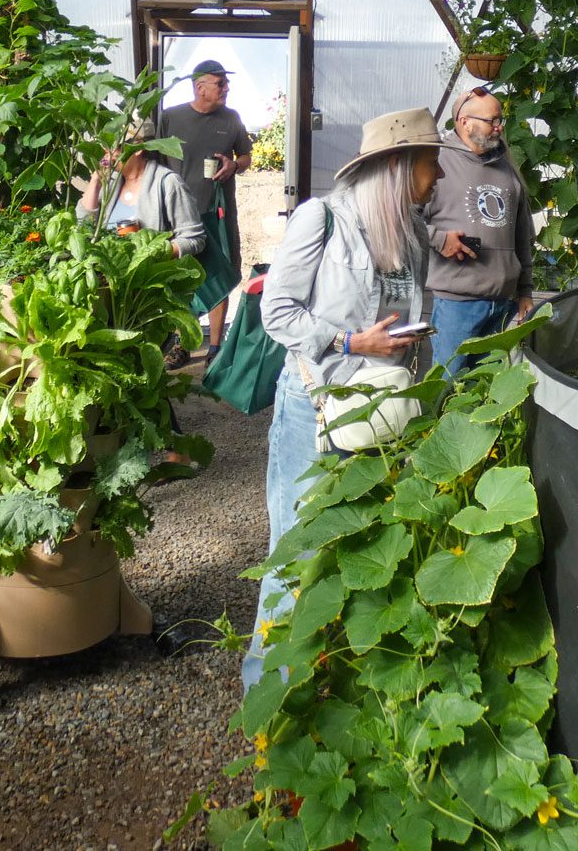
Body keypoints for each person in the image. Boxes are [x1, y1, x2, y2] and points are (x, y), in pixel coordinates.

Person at [244, 107, 444, 688]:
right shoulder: (321, 220)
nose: (437, 179)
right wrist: (352, 340)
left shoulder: (409, 233)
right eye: (431, 164)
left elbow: (402, 313)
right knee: (295, 552)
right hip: (316, 405)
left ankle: (323, 694)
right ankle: (269, 704)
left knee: (353, 545)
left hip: (377, 410)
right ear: (401, 167)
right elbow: (275, 312)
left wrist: (406, 344)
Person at [78, 117, 207, 371]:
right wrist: (95, 180)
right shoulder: (112, 182)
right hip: (109, 291)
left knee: (141, 367)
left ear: (136, 149)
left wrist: (154, 252)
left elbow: (195, 238)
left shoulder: (167, 183)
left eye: (112, 149)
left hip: (146, 297)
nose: (107, 155)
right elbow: (82, 224)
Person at [423, 86, 535, 376]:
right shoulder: (437, 163)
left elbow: (522, 234)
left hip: (503, 304)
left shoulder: (506, 166)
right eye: (492, 120)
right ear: (464, 121)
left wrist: (524, 291)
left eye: (500, 120)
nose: (499, 127)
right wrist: (439, 239)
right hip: (457, 305)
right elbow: (402, 219)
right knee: (448, 385)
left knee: (485, 387)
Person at [159, 60, 252, 357]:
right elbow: (154, 163)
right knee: (179, 278)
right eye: (220, 83)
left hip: (219, 212)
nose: (226, 88)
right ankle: (180, 343)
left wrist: (234, 165)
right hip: (177, 216)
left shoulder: (232, 119)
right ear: (200, 87)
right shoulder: (170, 119)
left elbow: (247, 157)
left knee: (219, 273)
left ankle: (215, 347)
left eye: (226, 83)